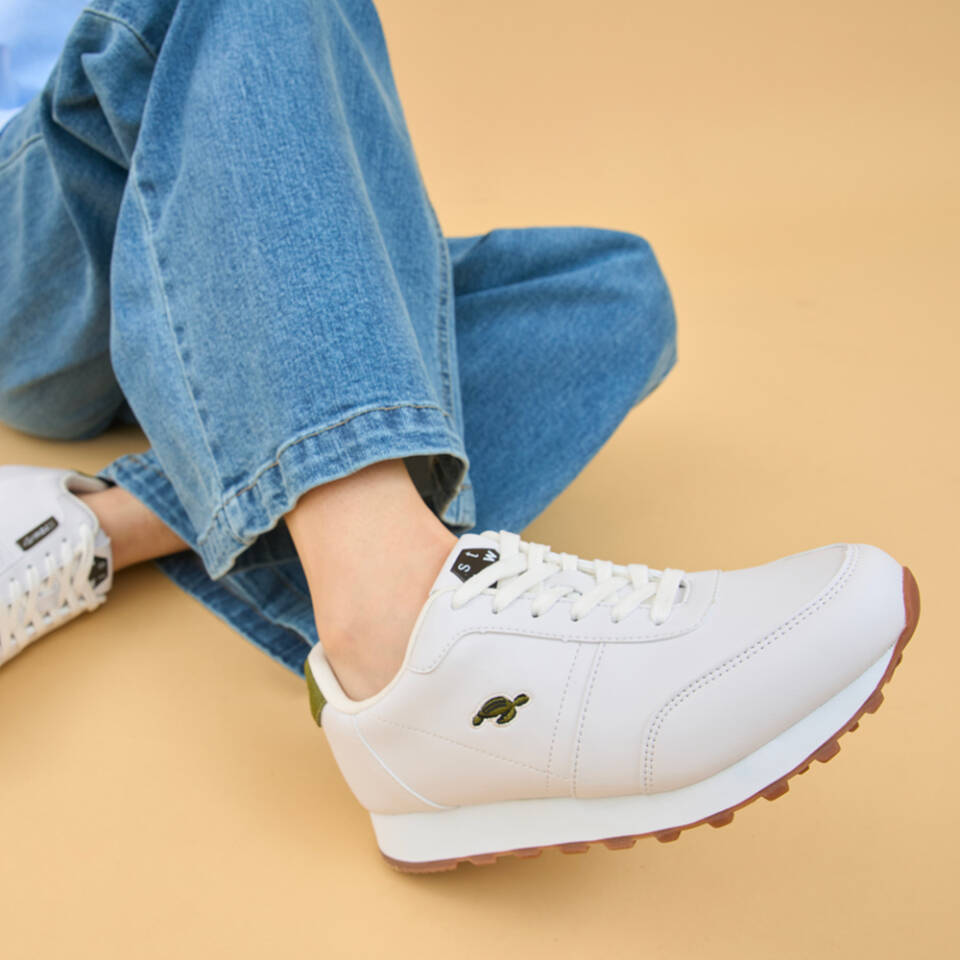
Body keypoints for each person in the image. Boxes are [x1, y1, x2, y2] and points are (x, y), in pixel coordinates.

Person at [0, 0, 920, 873]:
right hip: (38, 241)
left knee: (612, 294)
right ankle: (396, 629)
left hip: (198, 188)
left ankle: (105, 522)